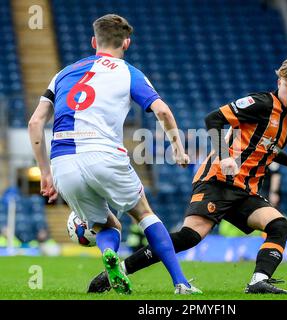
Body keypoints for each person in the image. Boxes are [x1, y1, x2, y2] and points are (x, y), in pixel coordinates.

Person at [88, 55, 287, 294]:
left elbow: (267, 145)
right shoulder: (262, 103)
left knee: (279, 225)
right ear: (279, 81)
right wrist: (223, 155)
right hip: (217, 180)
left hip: (245, 190)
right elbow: (214, 118)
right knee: (188, 237)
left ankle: (258, 281)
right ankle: (118, 271)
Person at [28, 14, 201, 295]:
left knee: (104, 223)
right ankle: (181, 283)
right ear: (127, 43)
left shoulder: (62, 73)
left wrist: (45, 174)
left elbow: (35, 123)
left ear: (94, 41)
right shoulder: (128, 72)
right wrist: (178, 148)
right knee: (145, 215)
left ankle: (109, 253)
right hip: (102, 152)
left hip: (63, 161)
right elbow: (163, 111)